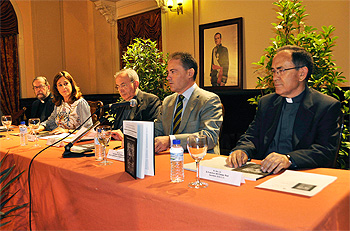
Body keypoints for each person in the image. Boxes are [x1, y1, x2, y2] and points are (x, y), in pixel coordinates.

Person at [226, 45, 341, 174]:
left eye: (281, 70)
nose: (275, 77)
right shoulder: (267, 102)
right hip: (263, 171)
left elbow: (325, 151)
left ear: (302, 73)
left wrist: (289, 159)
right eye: (274, 71)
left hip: (301, 173)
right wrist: (242, 150)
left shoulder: (326, 106)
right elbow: (252, 136)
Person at [154, 52, 223, 154]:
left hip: (199, 161)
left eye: (173, 72)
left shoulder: (209, 100)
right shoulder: (167, 101)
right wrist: (133, 136)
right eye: (168, 72)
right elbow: (157, 131)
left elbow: (209, 137)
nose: (168, 77)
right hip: (171, 160)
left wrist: (171, 141)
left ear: (190, 73)